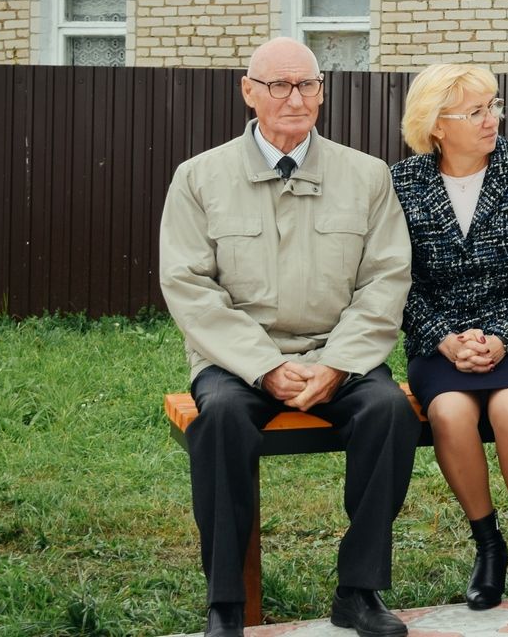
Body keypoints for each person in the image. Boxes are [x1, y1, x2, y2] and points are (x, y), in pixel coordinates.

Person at [159, 37, 419, 637]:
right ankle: (226, 603)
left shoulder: (366, 175)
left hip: (339, 354)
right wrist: (264, 367)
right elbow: (188, 286)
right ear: (249, 92)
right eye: (278, 84)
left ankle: (359, 592)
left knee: (390, 413)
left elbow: (386, 279)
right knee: (218, 419)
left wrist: (338, 363)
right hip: (237, 360)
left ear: (322, 92)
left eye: (307, 84)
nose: (294, 97)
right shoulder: (199, 177)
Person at [390, 64, 508, 611]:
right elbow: (393, 279)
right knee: (450, 415)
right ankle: (489, 546)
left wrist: (505, 336)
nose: (494, 119)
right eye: (477, 111)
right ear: (437, 125)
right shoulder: (402, 183)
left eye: (495, 105)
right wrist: (441, 337)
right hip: (439, 342)